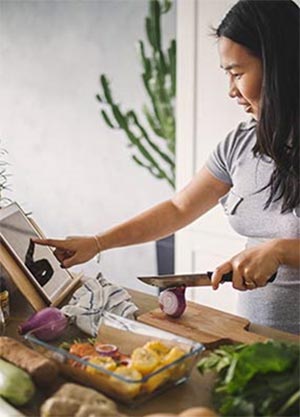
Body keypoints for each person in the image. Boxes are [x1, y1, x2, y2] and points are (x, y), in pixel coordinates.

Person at [34, 0, 300, 334]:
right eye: (226, 75)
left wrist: (281, 250)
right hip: (257, 337)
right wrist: (97, 243)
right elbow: (178, 208)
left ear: (279, 65)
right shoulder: (239, 144)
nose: (231, 90)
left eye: (237, 72)